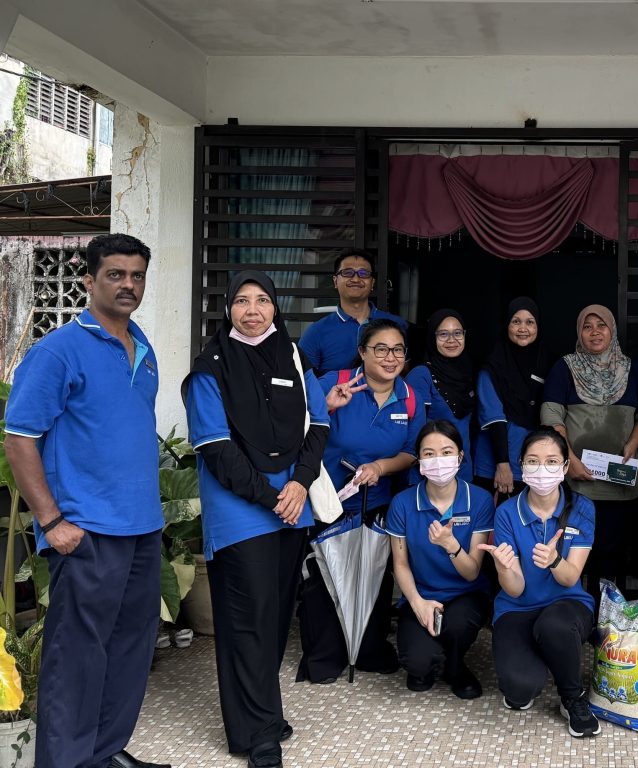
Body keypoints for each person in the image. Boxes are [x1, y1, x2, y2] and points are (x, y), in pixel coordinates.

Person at [4, 234, 171, 768]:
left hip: (141, 529)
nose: (128, 285)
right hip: (85, 531)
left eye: (137, 275)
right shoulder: (58, 351)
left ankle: (104, 753)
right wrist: (51, 520)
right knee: (76, 656)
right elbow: (19, 438)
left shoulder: (143, 349)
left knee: (129, 650)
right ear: (88, 280)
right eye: (115, 274)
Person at [183, 270, 328, 768]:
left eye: (262, 300)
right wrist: (272, 496)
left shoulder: (293, 356)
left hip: (291, 504)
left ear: (274, 307)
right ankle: (259, 734)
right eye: (242, 301)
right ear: (228, 309)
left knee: (276, 615)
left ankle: (261, 712)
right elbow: (215, 447)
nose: (252, 310)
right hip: (241, 509)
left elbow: (319, 423)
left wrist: (300, 483)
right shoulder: (210, 368)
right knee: (248, 619)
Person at [296, 318, 425, 683]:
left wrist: (380, 467)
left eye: (397, 350)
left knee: (373, 577)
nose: (390, 357)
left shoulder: (409, 397)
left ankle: (367, 649)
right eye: (380, 349)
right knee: (324, 579)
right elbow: (293, 424)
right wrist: (328, 406)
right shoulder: (333, 382)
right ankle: (325, 656)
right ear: (362, 352)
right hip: (326, 501)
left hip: (375, 500)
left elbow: (411, 452)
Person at [480, 427, 601, 738]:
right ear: (521, 465)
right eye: (533, 461)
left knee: (554, 627)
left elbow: (570, 577)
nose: (541, 469)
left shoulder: (582, 508)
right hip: (517, 607)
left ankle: (572, 698)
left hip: (566, 605)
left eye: (551, 461)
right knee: (519, 692)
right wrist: (504, 568)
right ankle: (543, 653)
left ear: (564, 467)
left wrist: (555, 560)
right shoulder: (507, 513)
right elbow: (515, 588)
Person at [541, 305, 638, 600]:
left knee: (612, 553)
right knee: (573, 549)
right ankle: (576, 609)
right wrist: (569, 459)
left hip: (619, 483)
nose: (595, 332)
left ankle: (606, 614)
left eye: (601, 325)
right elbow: (551, 414)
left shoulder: (631, 369)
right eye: (587, 326)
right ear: (579, 333)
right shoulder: (565, 367)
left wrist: (633, 443)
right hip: (576, 481)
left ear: (612, 330)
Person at [386, 420, 494, 698]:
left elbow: (472, 572)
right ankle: (433, 658)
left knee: (457, 626)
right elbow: (400, 564)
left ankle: (455, 667)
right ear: (419, 460)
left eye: (446, 452)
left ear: (460, 456)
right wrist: (417, 603)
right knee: (417, 665)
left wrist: (451, 545)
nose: (438, 461)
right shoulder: (402, 503)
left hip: (465, 594)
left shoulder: (479, 500)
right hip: (421, 593)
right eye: (429, 453)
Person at [474, 298, 552, 498]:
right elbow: (494, 418)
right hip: (496, 466)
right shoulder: (492, 368)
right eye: (516, 321)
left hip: (533, 464)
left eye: (530, 322)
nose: (523, 328)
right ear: (506, 325)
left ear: (538, 326)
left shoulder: (547, 363)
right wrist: (502, 464)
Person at [298, 249, 407, 375]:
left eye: (363, 273)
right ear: (335, 281)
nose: (355, 279)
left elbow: (405, 373)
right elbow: (303, 380)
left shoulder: (396, 325)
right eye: (347, 273)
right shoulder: (316, 332)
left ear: (372, 283)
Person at [405, 309, 476, 483]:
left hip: (461, 469)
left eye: (457, 333)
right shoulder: (421, 375)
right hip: (430, 472)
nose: (452, 340)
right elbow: (413, 430)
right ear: (432, 337)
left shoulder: (467, 371)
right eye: (443, 334)